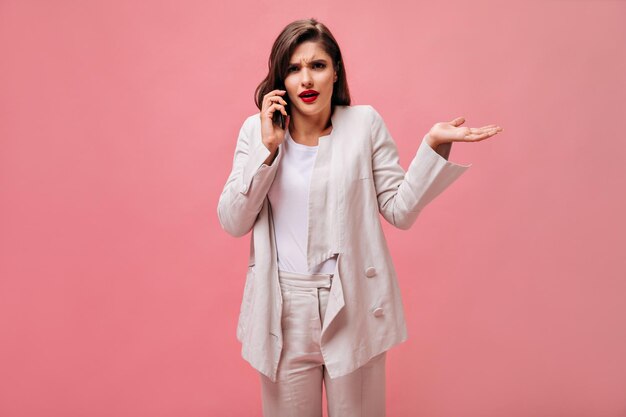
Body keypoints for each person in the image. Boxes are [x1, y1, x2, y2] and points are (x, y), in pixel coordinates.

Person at [217, 18, 503, 417]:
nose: (306, 79)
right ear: (281, 77)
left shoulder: (364, 124)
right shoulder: (256, 131)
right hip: (282, 308)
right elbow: (232, 221)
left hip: (352, 301)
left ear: (335, 70)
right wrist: (268, 150)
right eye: (294, 68)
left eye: (317, 65)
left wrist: (433, 146)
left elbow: (399, 210)